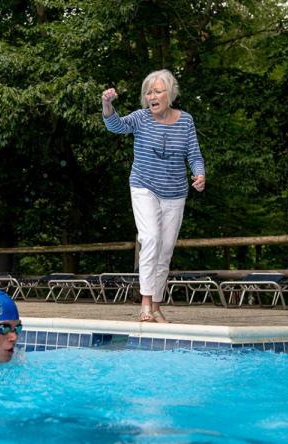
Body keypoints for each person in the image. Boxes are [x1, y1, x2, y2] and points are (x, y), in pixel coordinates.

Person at [101, 69, 206, 323]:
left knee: (166, 249)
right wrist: (107, 104)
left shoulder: (185, 121)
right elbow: (116, 126)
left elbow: (193, 153)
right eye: (148, 92)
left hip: (175, 192)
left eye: (157, 91)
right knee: (151, 239)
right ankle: (145, 304)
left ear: (170, 94)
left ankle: (157, 306)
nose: (152, 96)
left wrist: (199, 174)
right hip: (144, 186)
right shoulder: (140, 118)